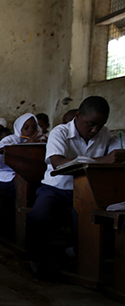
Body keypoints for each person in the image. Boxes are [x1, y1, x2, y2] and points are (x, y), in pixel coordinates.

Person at [27, 96, 125, 279]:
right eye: (91, 124)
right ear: (78, 116)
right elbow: (58, 163)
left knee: (91, 219)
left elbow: (114, 152)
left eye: (100, 125)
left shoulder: (104, 133)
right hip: (55, 189)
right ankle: (38, 261)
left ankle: (76, 256)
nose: (95, 130)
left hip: (87, 191)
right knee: (39, 216)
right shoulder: (60, 132)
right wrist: (101, 160)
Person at [0, 113, 43, 199]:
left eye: (34, 127)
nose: (31, 130)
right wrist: (25, 145)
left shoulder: (40, 139)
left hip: (30, 177)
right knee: (32, 187)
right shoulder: (13, 139)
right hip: (8, 177)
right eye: (26, 127)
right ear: (19, 128)